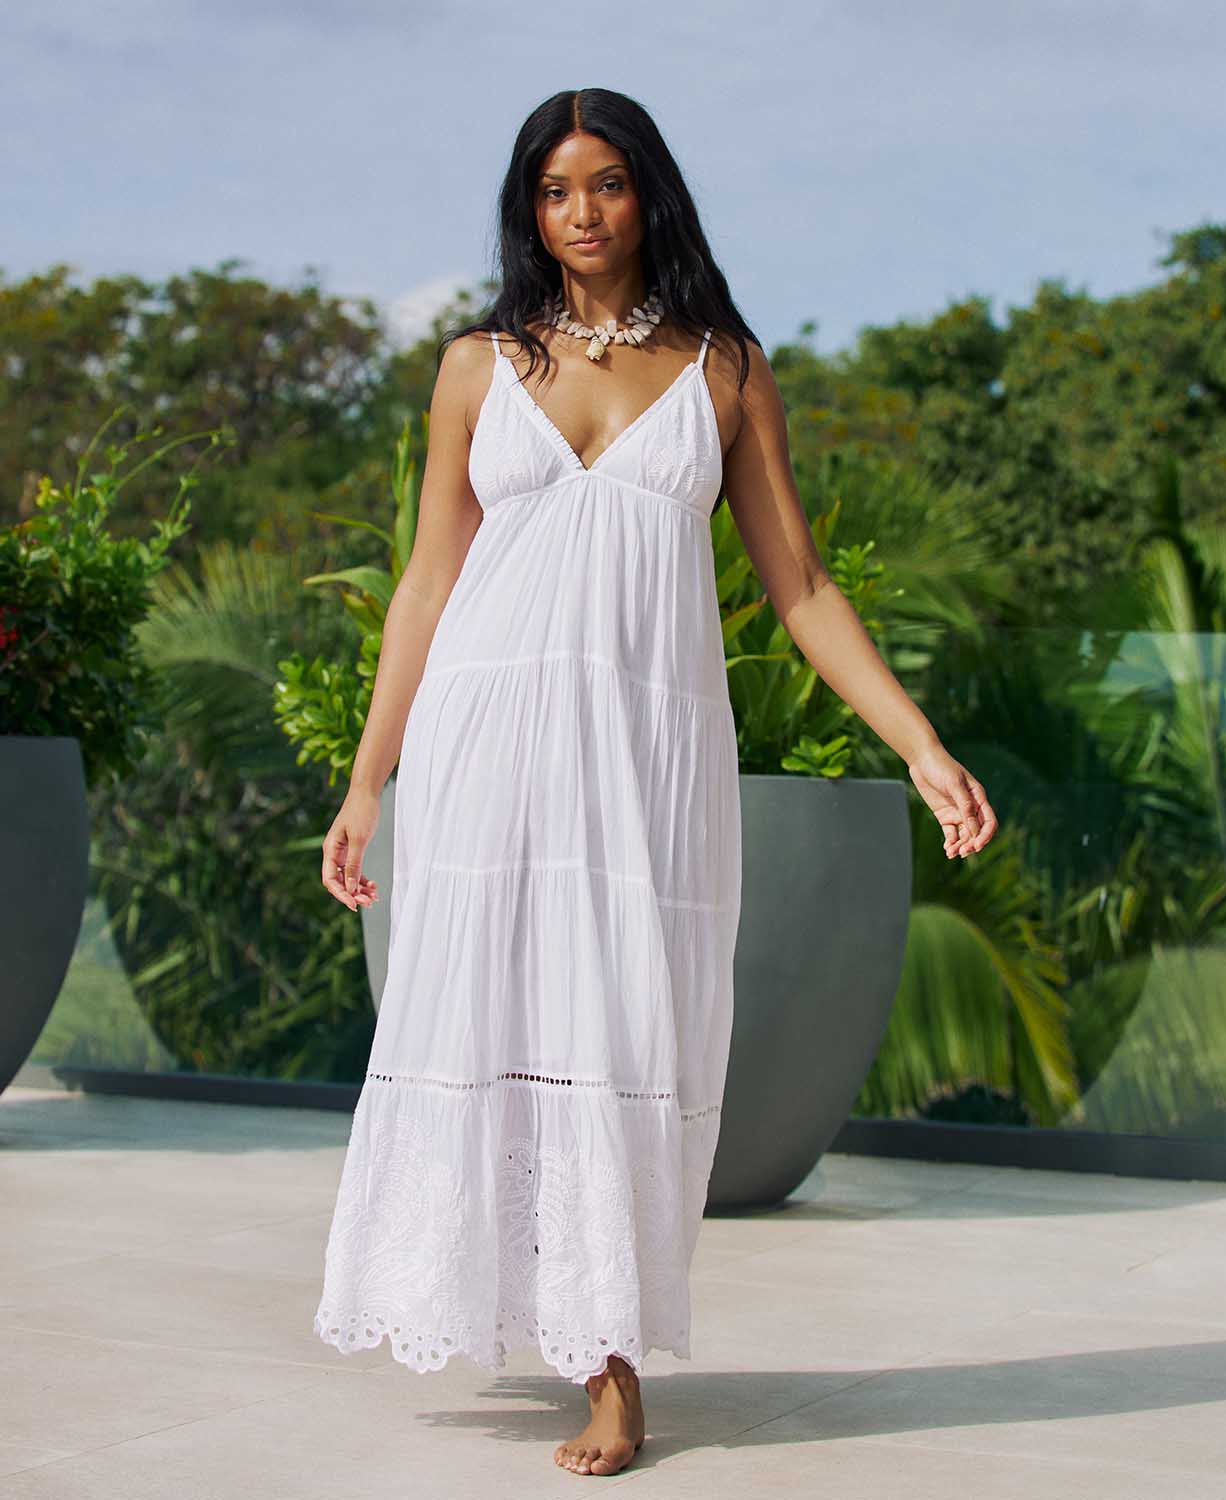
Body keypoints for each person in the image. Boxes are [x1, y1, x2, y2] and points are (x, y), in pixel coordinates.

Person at [312, 87, 997, 1480]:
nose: (581, 214)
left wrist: (918, 744)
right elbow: (427, 583)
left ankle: (610, 1364)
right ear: (529, 207)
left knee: (621, 1035)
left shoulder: (725, 371)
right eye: (556, 190)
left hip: (640, 760)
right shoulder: (471, 367)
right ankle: (540, 1328)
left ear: (649, 196)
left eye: (606, 186)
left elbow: (796, 584)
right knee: (495, 1016)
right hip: (485, 741)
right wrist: (370, 779)